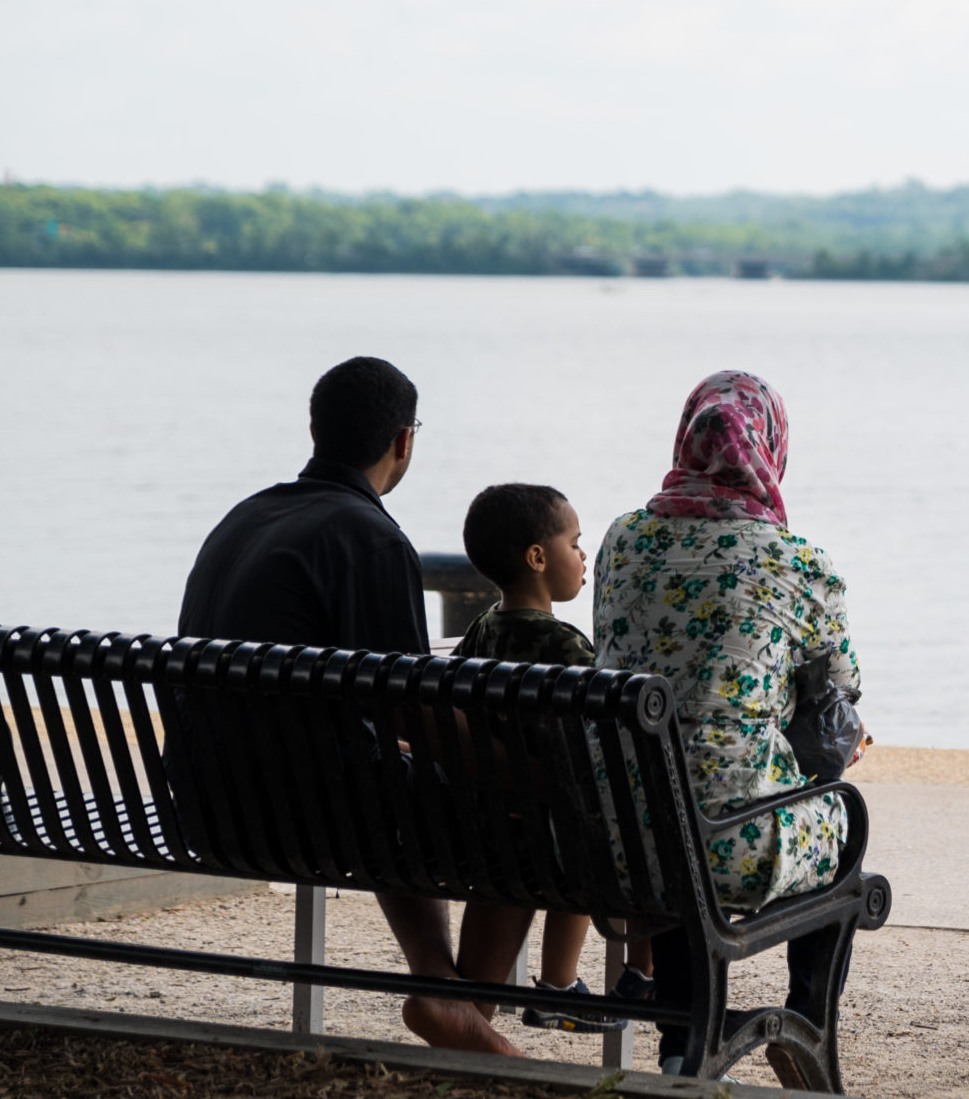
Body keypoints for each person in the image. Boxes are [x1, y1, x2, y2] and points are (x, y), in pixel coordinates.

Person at [177, 357, 519, 1058]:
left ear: (315, 428)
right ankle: (457, 1005)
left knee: (384, 773)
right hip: (301, 813)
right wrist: (513, 770)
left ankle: (441, 988)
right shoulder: (369, 537)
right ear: (403, 441)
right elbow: (410, 710)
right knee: (520, 813)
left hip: (200, 799)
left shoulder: (244, 516)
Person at [592, 369, 861, 1075]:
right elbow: (842, 687)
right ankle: (804, 1022)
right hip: (730, 848)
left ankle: (684, 1040)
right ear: (769, 447)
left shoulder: (621, 540)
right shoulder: (797, 561)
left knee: (672, 793)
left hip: (611, 837)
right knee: (839, 820)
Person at [445, 482, 650, 1033]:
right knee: (604, 828)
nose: (584, 556)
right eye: (576, 543)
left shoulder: (483, 627)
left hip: (491, 817)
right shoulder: (565, 646)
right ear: (538, 558)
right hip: (551, 826)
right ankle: (568, 983)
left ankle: (568, 986)